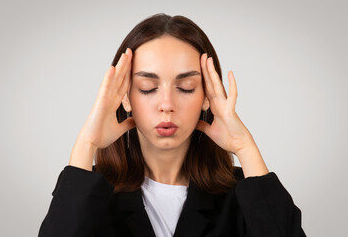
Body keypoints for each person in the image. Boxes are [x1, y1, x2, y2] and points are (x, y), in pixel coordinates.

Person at [38, 13, 306, 237]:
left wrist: (246, 148)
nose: (166, 104)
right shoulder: (91, 194)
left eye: (186, 87)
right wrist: (86, 145)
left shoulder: (242, 195)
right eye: (148, 87)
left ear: (206, 98)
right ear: (125, 96)